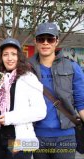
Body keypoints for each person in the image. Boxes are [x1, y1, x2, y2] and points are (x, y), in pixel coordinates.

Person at [29, 22, 84, 159]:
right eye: (41, 39)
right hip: (37, 136)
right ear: (35, 41)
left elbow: (81, 101)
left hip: (65, 138)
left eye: (50, 39)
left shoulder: (72, 67)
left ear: (56, 41)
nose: (45, 43)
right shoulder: (26, 68)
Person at [0, 38, 46, 159]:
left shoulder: (28, 78)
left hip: (19, 138)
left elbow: (40, 112)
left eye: (13, 54)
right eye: (5, 54)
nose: (9, 58)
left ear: (19, 57)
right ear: (1, 58)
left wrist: (9, 117)